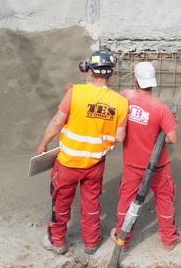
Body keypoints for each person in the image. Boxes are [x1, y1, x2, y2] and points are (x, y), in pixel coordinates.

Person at [36, 50, 128, 255]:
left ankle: (57, 242)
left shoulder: (75, 92)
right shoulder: (120, 102)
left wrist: (43, 145)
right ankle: (92, 242)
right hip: (94, 164)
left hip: (68, 162)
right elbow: (120, 138)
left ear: (89, 71)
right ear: (110, 74)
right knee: (91, 202)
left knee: (61, 201)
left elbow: (57, 122)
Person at [112, 61, 181, 252]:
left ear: (136, 80)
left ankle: (123, 239)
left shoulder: (125, 97)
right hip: (158, 166)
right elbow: (172, 139)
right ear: (153, 81)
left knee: (126, 199)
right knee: (164, 199)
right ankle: (169, 239)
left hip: (132, 165)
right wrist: (160, 129)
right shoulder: (160, 108)